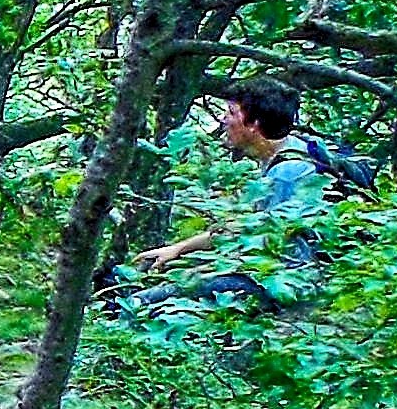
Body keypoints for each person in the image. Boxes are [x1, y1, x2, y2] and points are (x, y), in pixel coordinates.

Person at [124, 80, 333, 310]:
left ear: (254, 124)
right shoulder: (288, 154)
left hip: (289, 286)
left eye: (232, 112)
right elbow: (249, 227)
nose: (224, 119)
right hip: (276, 277)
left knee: (147, 302)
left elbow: (267, 244)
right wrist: (178, 250)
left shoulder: (287, 173)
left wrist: (202, 270)